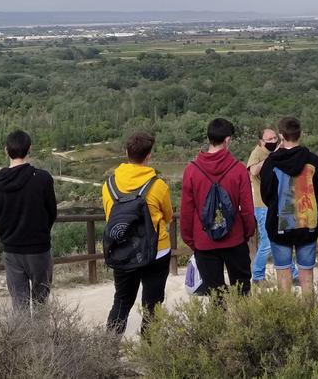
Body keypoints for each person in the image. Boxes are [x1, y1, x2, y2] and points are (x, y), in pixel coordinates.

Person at [102, 130, 174, 336]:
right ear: (149, 155)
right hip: (156, 251)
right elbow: (168, 216)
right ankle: (150, 352)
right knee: (153, 304)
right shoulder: (158, 186)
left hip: (122, 250)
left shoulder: (109, 186)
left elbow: (110, 216)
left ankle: (108, 350)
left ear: (126, 152)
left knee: (122, 301)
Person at [180, 118, 256, 298]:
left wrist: (192, 240)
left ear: (209, 138)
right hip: (235, 239)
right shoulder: (238, 169)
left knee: (215, 296)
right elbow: (246, 209)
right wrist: (247, 232)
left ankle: (220, 326)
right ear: (227, 140)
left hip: (204, 241)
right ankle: (243, 325)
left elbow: (186, 212)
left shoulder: (191, 170)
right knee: (242, 292)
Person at [0, 129, 57, 310]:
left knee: (19, 303)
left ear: (6, 150)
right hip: (39, 249)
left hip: (11, 249)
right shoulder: (42, 179)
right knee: (41, 302)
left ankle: (22, 339)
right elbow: (52, 213)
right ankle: (41, 338)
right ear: (29, 149)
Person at [260, 116, 318, 293]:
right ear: (300, 134)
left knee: (283, 275)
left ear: (281, 135)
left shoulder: (271, 162)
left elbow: (266, 194)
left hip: (279, 224)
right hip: (307, 223)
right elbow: (316, 191)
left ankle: (287, 316)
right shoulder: (313, 160)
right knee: (307, 276)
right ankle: (309, 317)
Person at [246, 128, 299, 286]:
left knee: (284, 239)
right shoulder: (257, 153)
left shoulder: (278, 150)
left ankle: (293, 273)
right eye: (268, 139)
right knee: (268, 241)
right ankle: (257, 275)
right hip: (262, 205)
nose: (272, 141)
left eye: (275, 138)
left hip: (279, 203)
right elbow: (253, 171)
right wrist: (273, 154)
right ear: (261, 141)